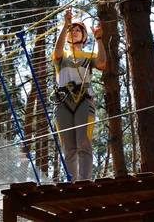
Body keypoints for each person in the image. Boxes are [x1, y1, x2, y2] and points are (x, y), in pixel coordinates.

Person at [52, 9, 107, 181]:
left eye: (78, 30)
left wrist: (98, 39)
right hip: (63, 102)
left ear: (84, 36)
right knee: (68, 148)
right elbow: (57, 50)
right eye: (71, 30)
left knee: (83, 144)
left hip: (84, 101)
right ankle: (71, 182)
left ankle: (84, 182)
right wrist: (65, 24)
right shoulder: (62, 56)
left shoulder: (89, 56)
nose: (74, 32)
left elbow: (102, 62)